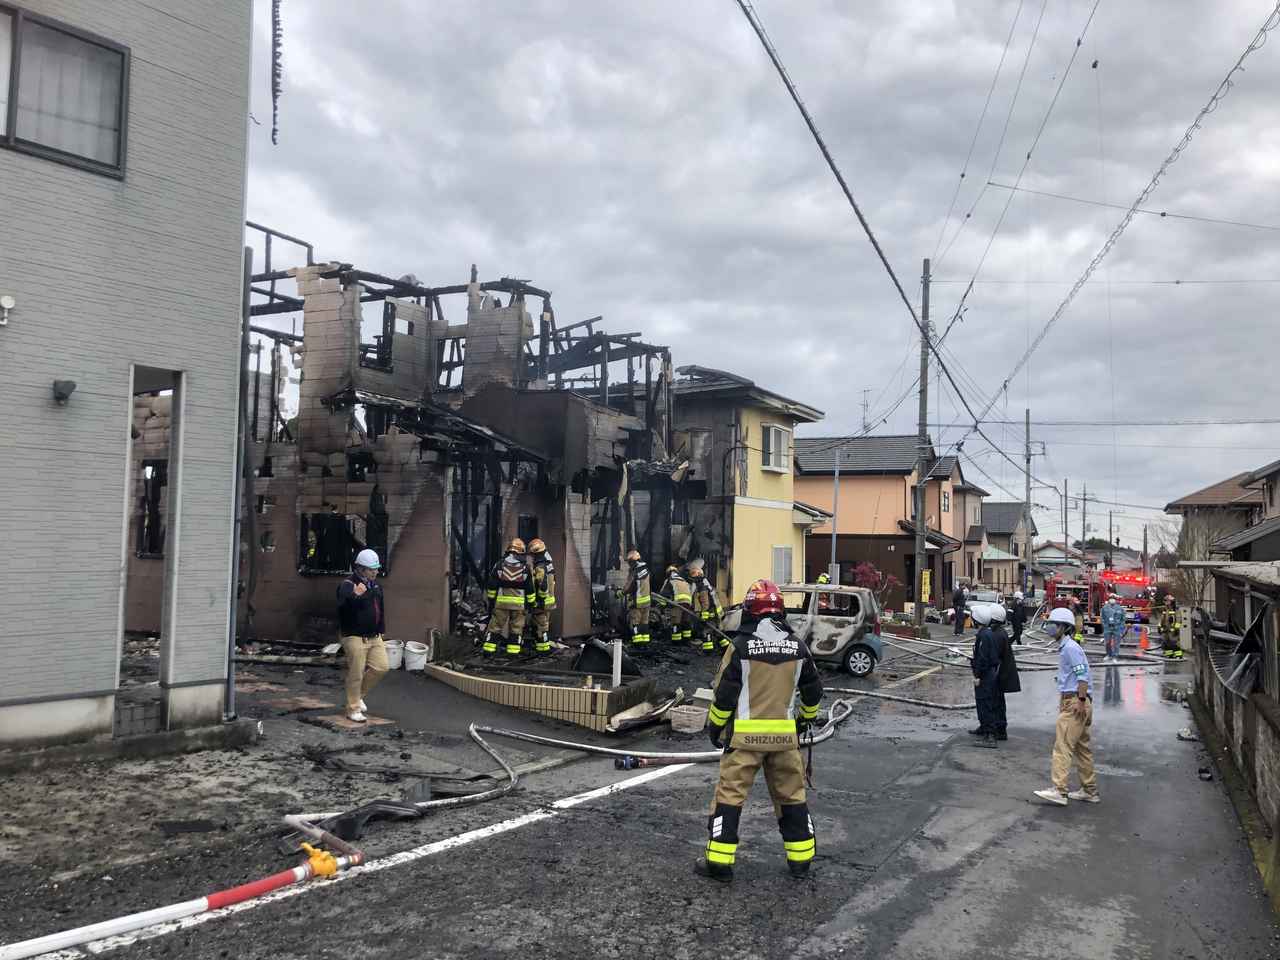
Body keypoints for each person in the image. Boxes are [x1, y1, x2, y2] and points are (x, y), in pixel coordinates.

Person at [697, 579, 823, 883]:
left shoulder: (739, 647)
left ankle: (719, 863)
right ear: (780, 611)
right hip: (784, 740)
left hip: (744, 741)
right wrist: (804, 721)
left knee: (730, 797)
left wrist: (715, 729)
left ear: (749, 610)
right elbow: (813, 692)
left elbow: (724, 695)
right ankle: (801, 861)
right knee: (792, 796)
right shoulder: (798, 646)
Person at [1034, 606, 1100, 806]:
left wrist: (1079, 700)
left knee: (1062, 747)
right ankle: (1090, 791)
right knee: (1082, 749)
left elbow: (1082, 676)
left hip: (1076, 702)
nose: (1049, 628)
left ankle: (1059, 790)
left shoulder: (1070, 649)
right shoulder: (1067, 647)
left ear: (1063, 627)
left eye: (1053, 625)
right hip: (1076, 700)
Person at [336, 549, 388, 723]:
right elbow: (343, 609)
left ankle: (357, 696)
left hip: (374, 635)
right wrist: (356, 596)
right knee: (356, 672)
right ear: (360, 568)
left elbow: (380, 609)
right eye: (371, 569)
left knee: (381, 667)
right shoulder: (348, 585)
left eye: (376, 568)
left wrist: (381, 628)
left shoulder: (376, 585)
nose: (375, 572)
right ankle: (353, 709)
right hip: (354, 635)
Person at [484, 538, 530, 657]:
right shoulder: (525, 568)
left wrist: (491, 599)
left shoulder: (499, 565)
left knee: (495, 626)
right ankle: (513, 653)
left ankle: (488, 651)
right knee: (516, 628)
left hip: (501, 603)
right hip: (518, 604)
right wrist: (531, 603)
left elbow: (492, 584)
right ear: (520, 552)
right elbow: (530, 588)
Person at [968, 603, 1000, 748]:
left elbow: (983, 658)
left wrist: (977, 675)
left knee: (986, 703)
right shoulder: (986, 633)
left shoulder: (984, 636)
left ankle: (990, 735)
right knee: (982, 703)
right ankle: (984, 728)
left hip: (985, 675)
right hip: (988, 674)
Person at [990, 602, 1020, 740]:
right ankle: (1000, 727)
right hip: (1002, 673)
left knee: (997, 702)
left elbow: (994, 657)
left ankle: (999, 729)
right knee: (999, 701)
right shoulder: (1001, 632)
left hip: (999, 674)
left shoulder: (996, 634)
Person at [526, 538, 556, 655]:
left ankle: (543, 650)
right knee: (541, 623)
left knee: (541, 625)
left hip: (542, 601)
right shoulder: (548, 563)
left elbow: (542, 584)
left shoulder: (540, 566)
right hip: (549, 600)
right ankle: (540, 647)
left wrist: (540, 600)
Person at [689, 560, 725, 653]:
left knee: (706, 632)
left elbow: (705, 603)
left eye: (693, 574)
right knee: (717, 632)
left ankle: (708, 651)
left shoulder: (702, 586)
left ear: (698, 575)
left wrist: (704, 616)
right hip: (714, 612)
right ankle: (725, 648)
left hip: (710, 614)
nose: (692, 577)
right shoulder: (705, 584)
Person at [623, 549, 651, 646]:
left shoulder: (634, 571)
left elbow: (629, 587)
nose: (629, 564)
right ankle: (645, 643)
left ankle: (637, 644)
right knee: (644, 623)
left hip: (637, 602)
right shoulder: (645, 569)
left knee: (635, 623)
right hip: (647, 602)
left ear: (632, 561)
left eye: (629, 562)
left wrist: (620, 593)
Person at [661, 564, 693, 644]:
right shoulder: (683, 580)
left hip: (677, 603)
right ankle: (686, 641)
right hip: (688, 603)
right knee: (686, 621)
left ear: (668, 573)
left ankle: (676, 641)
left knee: (676, 622)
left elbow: (663, 594)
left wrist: (662, 606)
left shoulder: (669, 580)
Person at [1101, 593, 1125, 663]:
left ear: (1116, 600)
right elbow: (1102, 618)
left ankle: (1115, 656)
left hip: (1117, 628)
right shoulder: (1104, 608)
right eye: (1111, 598)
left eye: (1113, 598)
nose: (1112, 600)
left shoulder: (1120, 608)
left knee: (1116, 643)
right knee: (1107, 642)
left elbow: (1123, 619)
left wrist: (1121, 628)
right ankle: (1109, 655)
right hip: (1107, 628)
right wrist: (1104, 625)